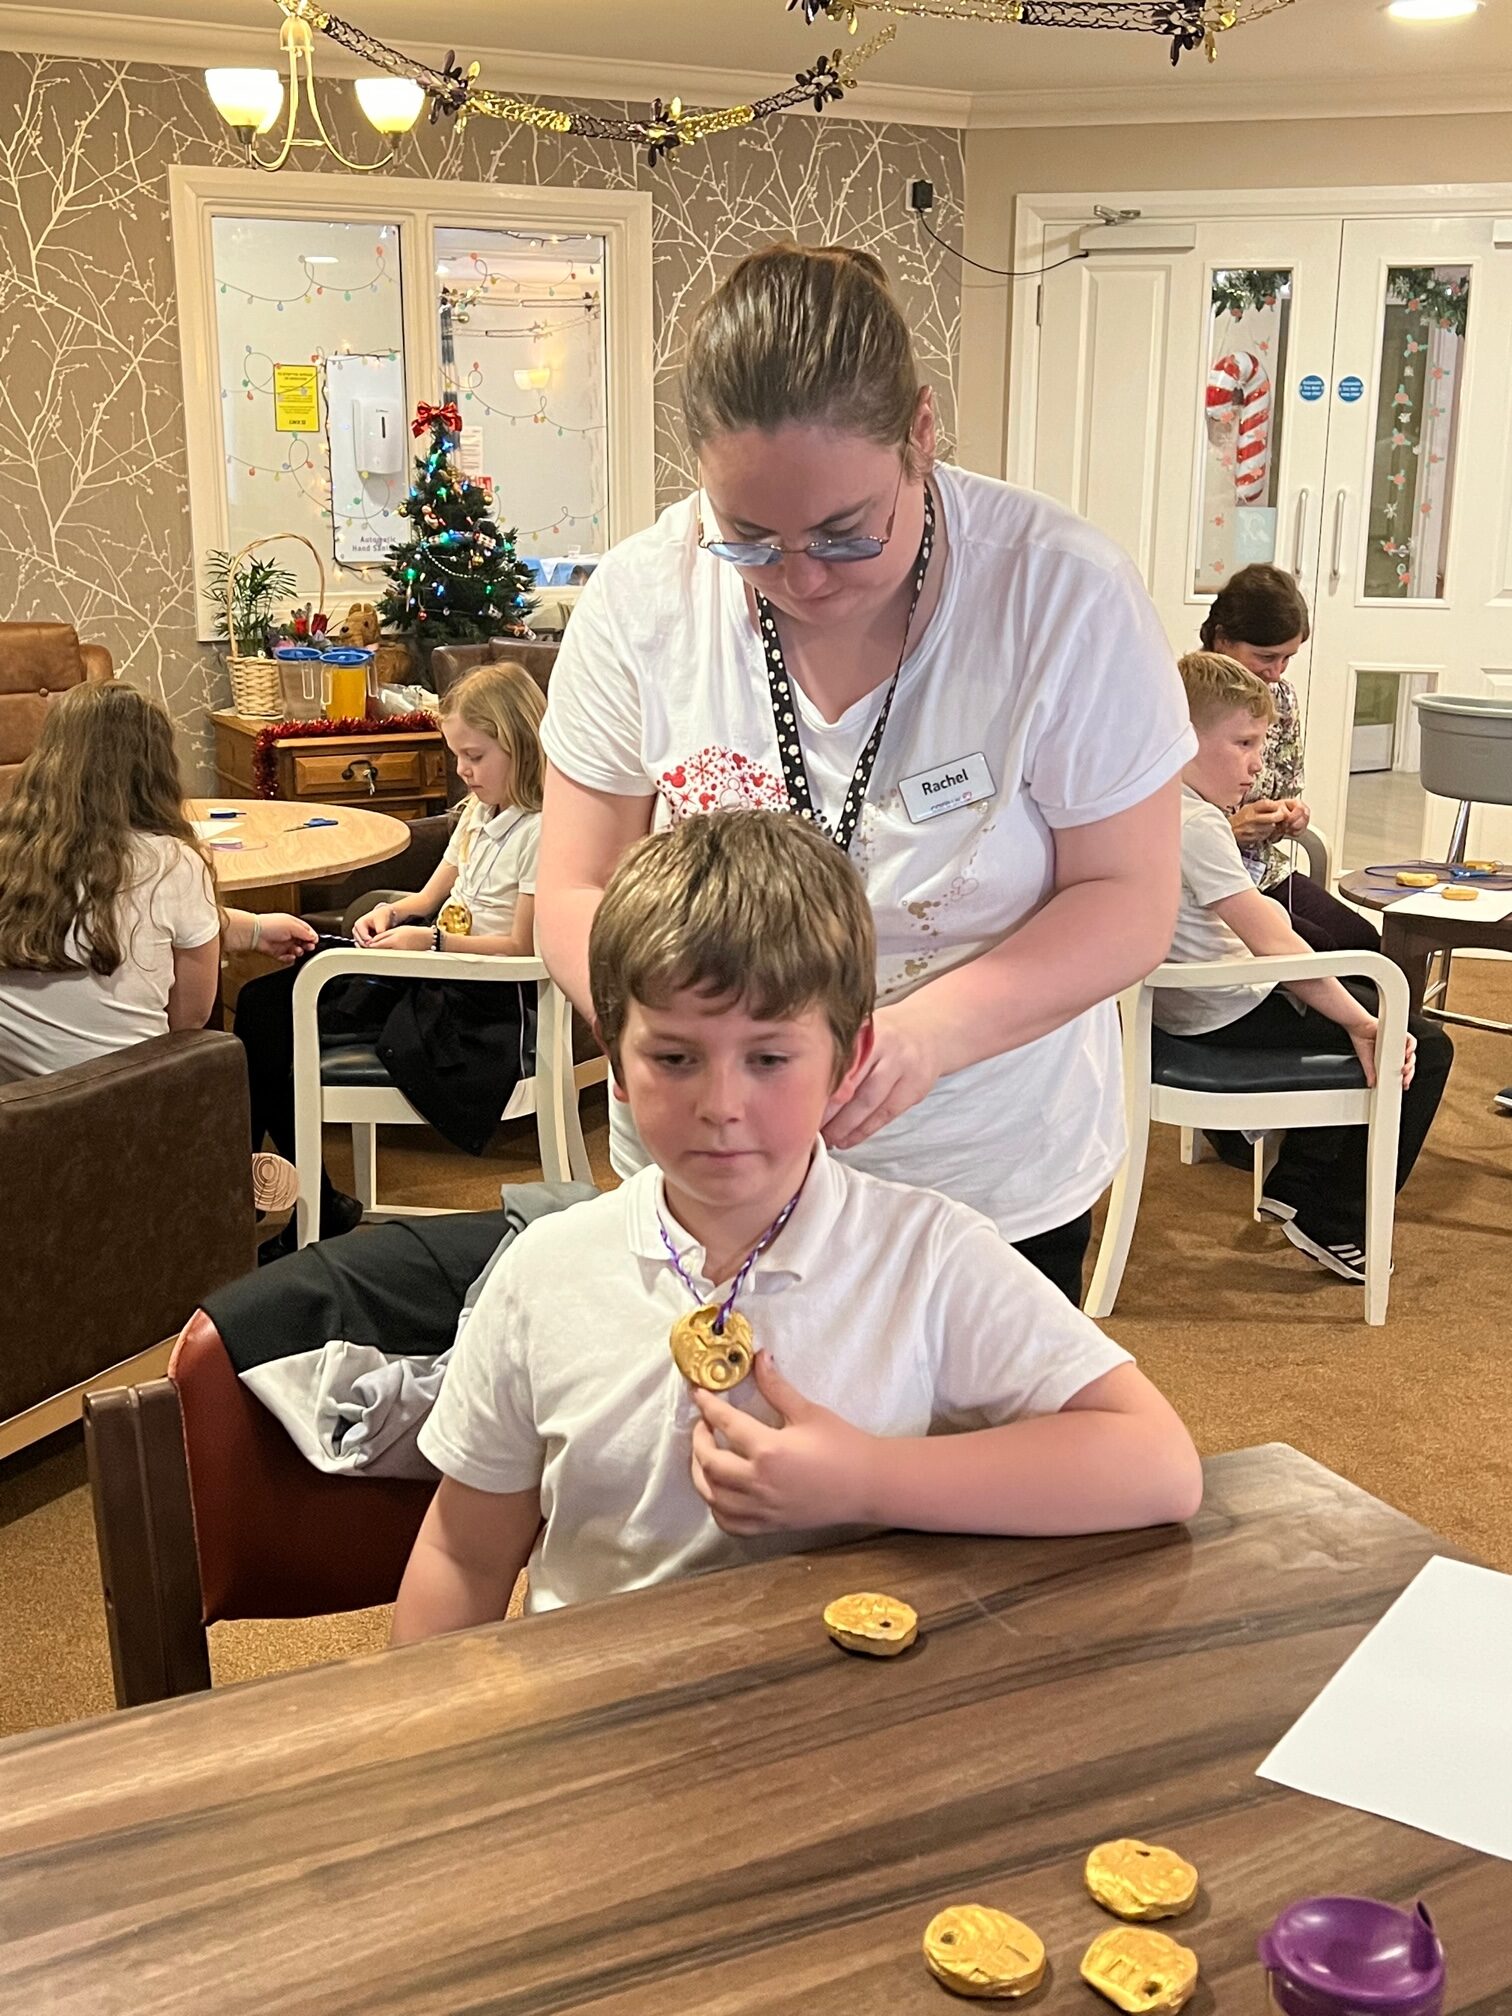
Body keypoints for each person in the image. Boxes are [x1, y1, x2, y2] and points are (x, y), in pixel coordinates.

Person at [536, 242, 1195, 1307]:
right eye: (747, 540)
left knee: (962, 1467)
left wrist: (925, 1039)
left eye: (846, 536)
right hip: (710, 1172)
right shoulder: (641, 598)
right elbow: (574, 886)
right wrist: (671, 1051)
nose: (798, 580)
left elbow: (1129, 896)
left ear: (920, 438)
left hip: (977, 1167)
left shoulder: (1060, 593)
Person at [392, 810, 1202, 1640]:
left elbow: (1157, 1465)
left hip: (845, 1724)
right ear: (617, 1060)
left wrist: (871, 1480)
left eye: (770, 1058)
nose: (722, 1107)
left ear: (848, 1062)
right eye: (674, 1057)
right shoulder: (544, 1274)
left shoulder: (926, 1254)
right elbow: (465, 1555)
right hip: (600, 1725)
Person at [1157, 654, 1453, 1283]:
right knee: (1420, 1041)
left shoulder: (1153, 805)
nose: (1257, 762)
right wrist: (1366, 1025)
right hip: (1222, 1011)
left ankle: (1295, 1187)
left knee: (1356, 998)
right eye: (1243, 743)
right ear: (1182, 737)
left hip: (1193, 1004)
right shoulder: (1197, 824)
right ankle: (1338, 1222)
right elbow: (1277, 951)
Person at [234, 660, 546, 1251]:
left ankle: (293, 1205)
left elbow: (521, 949)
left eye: (475, 756)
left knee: (274, 1019)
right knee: (260, 1004)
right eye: (456, 755)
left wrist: (429, 941)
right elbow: (432, 896)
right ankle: (276, 1199)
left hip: (477, 1001)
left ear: (520, 744)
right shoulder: (481, 814)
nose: (463, 771)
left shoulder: (542, 828)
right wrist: (395, 915)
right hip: (430, 966)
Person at [0, 682, 312, 1216]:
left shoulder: (14, 857)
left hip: (20, 1114)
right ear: (153, 768)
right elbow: (188, 1018)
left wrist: (254, 929)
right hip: (132, 1108)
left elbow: (115, 926)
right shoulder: (171, 862)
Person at [1200, 564, 1378, 955]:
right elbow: (1157, 831)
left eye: (1287, 659)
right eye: (1265, 656)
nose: (1276, 672)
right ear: (1222, 639)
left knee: (1365, 945)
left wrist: (1289, 814)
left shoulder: (1280, 698)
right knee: (1322, 955)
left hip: (1264, 871)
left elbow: (1286, 788)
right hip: (1205, 888)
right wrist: (1228, 829)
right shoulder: (1185, 701)